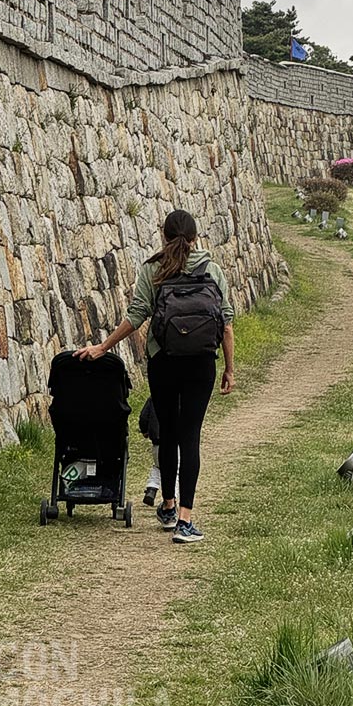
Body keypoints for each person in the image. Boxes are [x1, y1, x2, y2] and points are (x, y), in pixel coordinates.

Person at [76, 209, 235, 543]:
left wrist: (103, 347)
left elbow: (136, 316)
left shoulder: (153, 269)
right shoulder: (213, 270)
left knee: (169, 434)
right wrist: (230, 369)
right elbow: (227, 325)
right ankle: (185, 522)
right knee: (191, 437)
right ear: (195, 237)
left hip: (163, 361)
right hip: (202, 363)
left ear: (163, 235)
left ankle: (167, 504)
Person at [138, 397, 163, 508]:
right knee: (175, 470)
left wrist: (144, 430)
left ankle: (151, 489)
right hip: (175, 442)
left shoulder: (154, 396)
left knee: (158, 466)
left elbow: (143, 416)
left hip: (157, 441)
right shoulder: (182, 396)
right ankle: (174, 497)